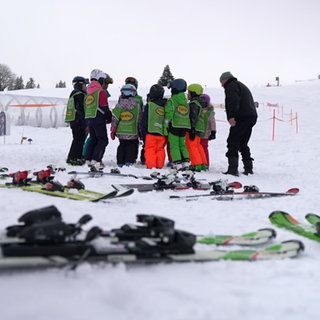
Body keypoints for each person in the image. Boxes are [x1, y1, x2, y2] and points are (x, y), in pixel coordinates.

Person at [220, 71, 258, 176]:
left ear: (225, 79)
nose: (221, 85)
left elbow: (232, 101)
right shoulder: (240, 85)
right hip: (250, 116)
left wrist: (231, 116)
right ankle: (248, 168)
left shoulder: (231, 86)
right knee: (242, 143)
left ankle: (232, 170)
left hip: (242, 118)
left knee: (232, 142)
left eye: (221, 82)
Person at [84, 69, 112, 171]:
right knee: (103, 140)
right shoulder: (101, 92)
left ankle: (88, 158)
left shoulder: (88, 92)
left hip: (89, 117)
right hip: (98, 118)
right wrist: (109, 117)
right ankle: (96, 160)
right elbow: (104, 107)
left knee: (93, 138)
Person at [111, 84, 142, 167]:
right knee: (131, 146)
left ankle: (120, 162)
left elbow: (115, 118)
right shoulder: (137, 105)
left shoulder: (119, 105)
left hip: (121, 131)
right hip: (132, 131)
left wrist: (113, 128)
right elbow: (139, 118)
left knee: (122, 146)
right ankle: (129, 161)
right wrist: (139, 129)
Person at [164, 78, 190, 171]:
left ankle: (177, 163)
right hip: (184, 126)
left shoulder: (172, 101)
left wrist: (166, 124)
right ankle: (186, 162)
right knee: (182, 145)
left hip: (174, 126)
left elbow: (169, 113)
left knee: (174, 145)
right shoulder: (185, 102)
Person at [141, 84, 167, 169]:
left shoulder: (150, 105)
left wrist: (143, 132)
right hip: (162, 132)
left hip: (150, 131)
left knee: (150, 149)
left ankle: (151, 165)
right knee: (160, 149)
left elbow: (145, 120)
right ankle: (159, 165)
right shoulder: (165, 105)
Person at [65, 76, 89, 166]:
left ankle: (77, 157)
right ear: (79, 85)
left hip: (74, 120)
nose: (86, 87)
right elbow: (81, 110)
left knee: (79, 139)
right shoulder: (79, 95)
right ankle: (72, 158)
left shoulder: (74, 94)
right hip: (79, 121)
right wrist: (85, 123)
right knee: (78, 140)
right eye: (84, 85)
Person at [185, 84, 208, 172]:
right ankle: (202, 163)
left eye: (189, 93)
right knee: (198, 146)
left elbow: (193, 117)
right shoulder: (201, 103)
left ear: (193, 93)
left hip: (193, 128)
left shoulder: (194, 104)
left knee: (191, 146)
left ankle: (196, 164)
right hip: (199, 128)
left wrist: (192, 129)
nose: (187, 95)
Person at [199, 93, 216, 168]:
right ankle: (198, 162)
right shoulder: (198, 110)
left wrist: (213, 132)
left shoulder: (209, 112)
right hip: (198, 133)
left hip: (205, 134)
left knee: (204, 148)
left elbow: (212, 122)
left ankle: (205, 163)